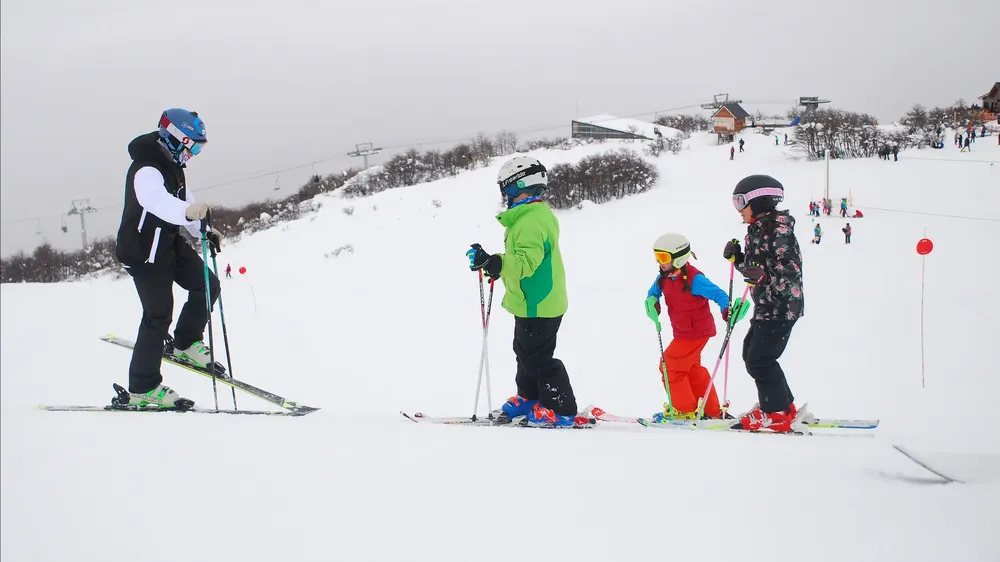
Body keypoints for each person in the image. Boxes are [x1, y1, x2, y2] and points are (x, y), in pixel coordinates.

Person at [115, 108, 222, 408]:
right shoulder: (145, 168)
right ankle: (142, 387)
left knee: (207, 284)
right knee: (158, 315)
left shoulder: (173, 166)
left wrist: (204, 229)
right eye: (194, 146)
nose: (195, 154)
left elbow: (185, 202)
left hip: (168, 244)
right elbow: (157, 202)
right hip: (143, 251)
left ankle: (187, 342)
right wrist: (187, 213)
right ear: (176, 138)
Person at [466, 156, 582, 427]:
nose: (505, 195)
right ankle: (529, 396)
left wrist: (497, 262)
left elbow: (527, 263)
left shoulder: (531, 220)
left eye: (507, 189)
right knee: (524, 350)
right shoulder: (528, 217)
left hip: (540, 302)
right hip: (532, 301)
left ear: (521, 185)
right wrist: (497, 265)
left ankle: (561, 408)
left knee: (537, 357)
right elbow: (522, 260)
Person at [723, 174, 805, 432]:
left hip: (781, 307)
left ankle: (776, 413)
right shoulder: (757, 230)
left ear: (758, 203)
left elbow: (790, 272)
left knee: (760, 360)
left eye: (741, 203)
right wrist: (739, 260)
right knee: (752, 354)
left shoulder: (779, 231)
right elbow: (756, 270)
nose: (738, 210)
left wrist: (764, 277)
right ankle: (782, 405)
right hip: (766, 306)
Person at [643, 233, 731, 421]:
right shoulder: (664, 277)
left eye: (664, 257)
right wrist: (652, 302)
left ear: (679, 258)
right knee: (690, 368)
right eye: (657, 256)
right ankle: (710, 410)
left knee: (670, 366)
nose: (660, 262)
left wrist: (726, 309)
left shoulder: (694, 279)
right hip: (683, 332)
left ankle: (684, 410)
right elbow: (653, 292)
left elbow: (718, 293)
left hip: (696, 332)